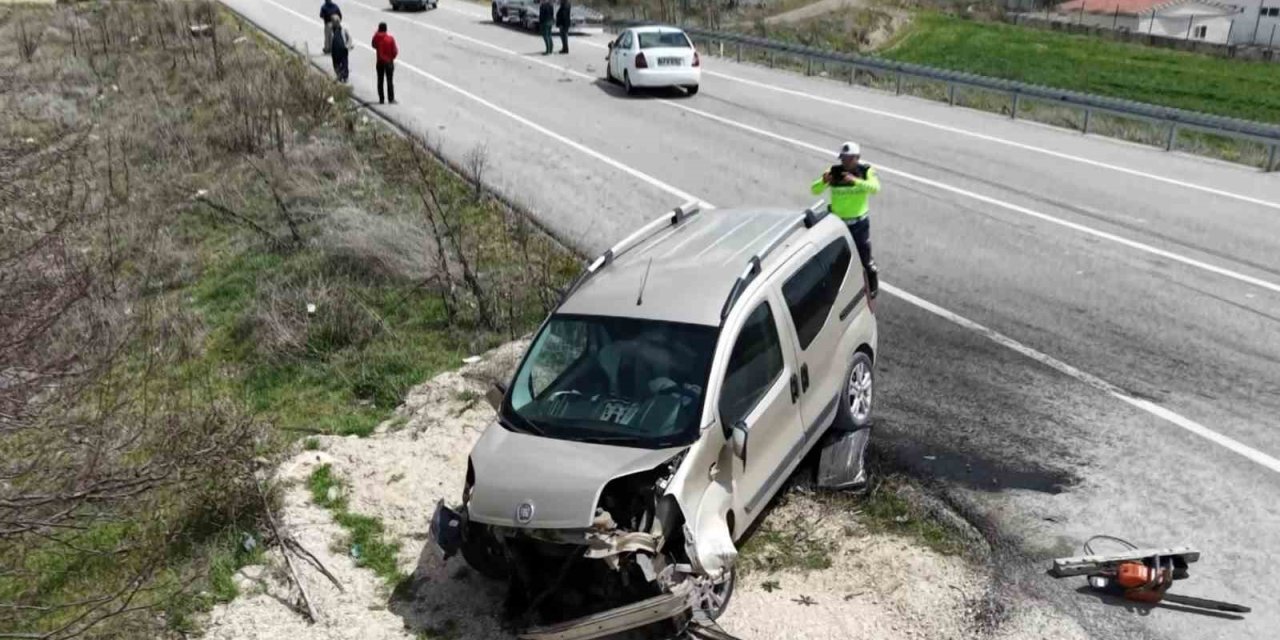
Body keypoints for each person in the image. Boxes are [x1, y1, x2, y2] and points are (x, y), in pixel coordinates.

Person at [810, 141, 881, 297]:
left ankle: (872, 283)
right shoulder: (834, 172)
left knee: (865, 258)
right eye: (843, 159)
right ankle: (837, 290)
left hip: (859, 223)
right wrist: (824, 181)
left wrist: (855, 181)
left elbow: (875, 188)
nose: (846, 162)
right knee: (837, 258)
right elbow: (814, 189)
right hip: (838, 223)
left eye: (849, 159)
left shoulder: (866, 171)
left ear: (857, 158)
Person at [372, 22, 398, 104]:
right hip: (388, 62)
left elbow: (373, 44)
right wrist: (391, 58)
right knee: (389, 81)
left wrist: (376, 33)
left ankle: (381, 99)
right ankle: (391, 98)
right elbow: (395, 51)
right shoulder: (390, 39)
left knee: (380, 80)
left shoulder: (377, 38)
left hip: (380, 61)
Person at [323, 15, 352, 83]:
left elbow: (349, 38)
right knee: (337, 64)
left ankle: (344, 76)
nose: (336, 23)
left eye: (337, 21)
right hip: (335, 49)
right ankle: (341, 75)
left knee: (344, 63)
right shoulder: (330, 30)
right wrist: (327, 48)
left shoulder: (343, 29)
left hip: (342, 49)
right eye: (335, 21)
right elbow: (328, 40)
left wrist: (348, 46)